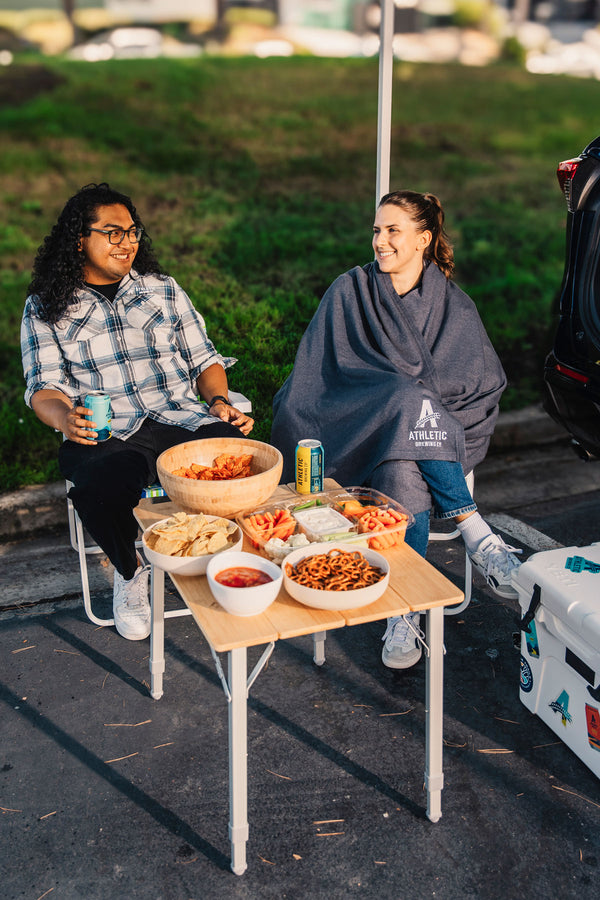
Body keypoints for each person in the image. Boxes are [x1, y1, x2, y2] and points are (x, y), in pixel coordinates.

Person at [270, 190, 521, 669]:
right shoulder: (351, 290)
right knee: (404, 399)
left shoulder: (455, 305)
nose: (379, 241)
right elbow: (322, 373)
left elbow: (481, 380)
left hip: (433, 433)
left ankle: (403, 614)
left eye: (392, 231)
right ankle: (476, 532)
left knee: (404, 459)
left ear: (423, 239)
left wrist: (421, 403)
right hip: (357, 424)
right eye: (376, 230)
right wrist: (402, 396)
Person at [21, 182, 253, 641]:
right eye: (112, 232)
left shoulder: (162, 291)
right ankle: (130, 571)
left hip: (178, 416)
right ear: (78, 239)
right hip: (111, 432)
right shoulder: (46, 308)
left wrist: (220, 403)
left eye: (132, 231)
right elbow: (42, 386)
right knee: (99, 481)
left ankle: (224, 558)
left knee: (245, 463)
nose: (127, 243)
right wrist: (65, 419)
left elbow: (203, 358)